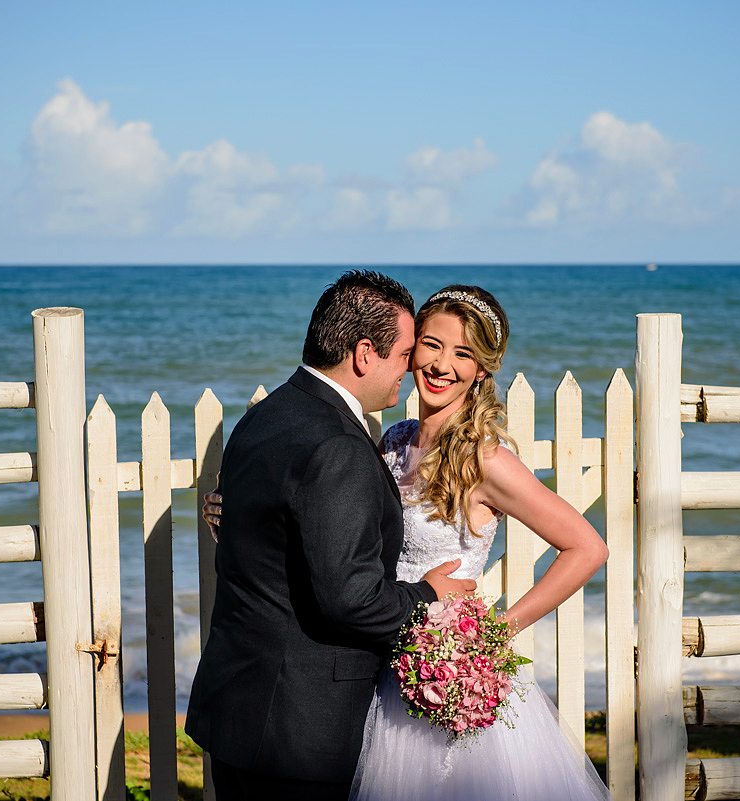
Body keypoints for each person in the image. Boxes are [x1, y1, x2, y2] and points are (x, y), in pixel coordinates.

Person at [205, 284, 613, 800]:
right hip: (378, 665)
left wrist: (497, 631)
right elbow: (332, 519)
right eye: (432, 344)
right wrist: (238, 511)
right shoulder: (392, 441)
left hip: (445, 669)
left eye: (464, 353)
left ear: (483, 370)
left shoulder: (484, 461)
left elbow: (587, 547)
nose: (442, 364)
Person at [184, 271, 477, 801]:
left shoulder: (264, 417)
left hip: (236, 710)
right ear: (365, 354)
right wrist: (430, 594)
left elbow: (265, 531)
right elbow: (351, 600)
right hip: (301, 733)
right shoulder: (339, 445)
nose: (411, 370)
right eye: (405, 354)